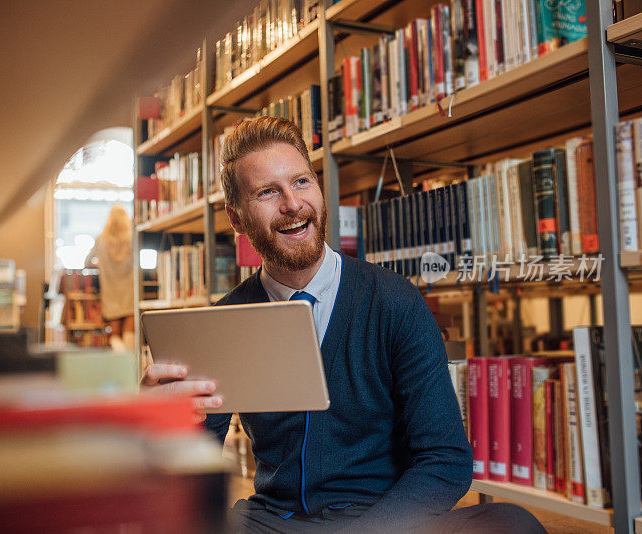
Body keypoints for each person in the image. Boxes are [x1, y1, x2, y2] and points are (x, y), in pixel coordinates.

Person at [142, 117, 546, 533]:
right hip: (274, 521)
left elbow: (445, 460)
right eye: (267, 192)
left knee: (512, 524)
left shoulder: (395, 301)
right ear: (238, 218)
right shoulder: (224, 321)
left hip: (384, 521)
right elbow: (190, 477)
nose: (292, 205)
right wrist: (162, 424)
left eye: (301, 182)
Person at [86, 204, 134, 350]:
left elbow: (87, 262)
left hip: (110, 291)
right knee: (129, 332)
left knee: (115, 334)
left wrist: (101, 265)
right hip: (130, 291)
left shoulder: (101, 239)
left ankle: (120, 366)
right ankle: (132, 366)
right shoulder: (132, 238)